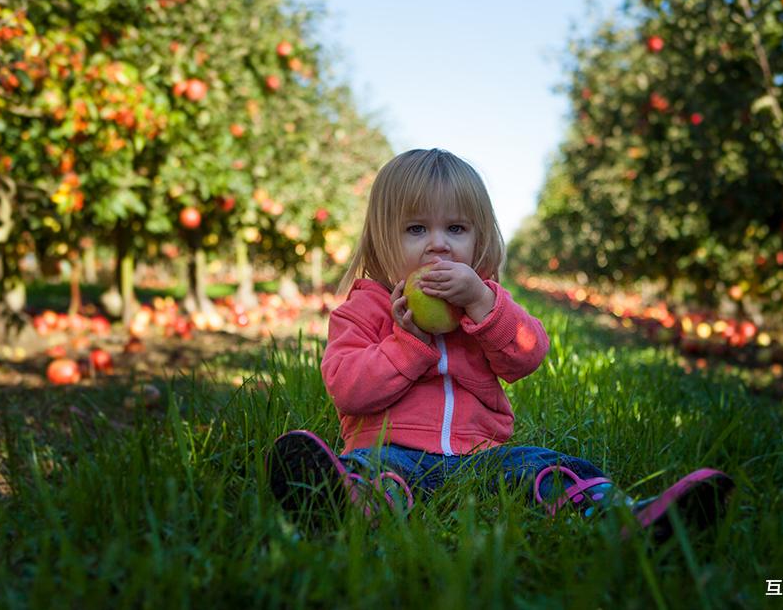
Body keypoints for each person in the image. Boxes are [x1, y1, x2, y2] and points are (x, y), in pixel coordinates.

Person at [266, 148, 733, 539]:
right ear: (380, 238)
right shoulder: (362, 311)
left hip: (480, 457)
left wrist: (483, 306)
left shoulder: (485, 302)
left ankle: (627, 517)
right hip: (389, 449)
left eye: (456, 229)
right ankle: (344, 502)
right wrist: (408, 344)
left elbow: (528, 355)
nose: (438, 246)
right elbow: (348, 389)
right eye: (416, 230)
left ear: (478, 237)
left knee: (548, 467)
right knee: (370, 471)